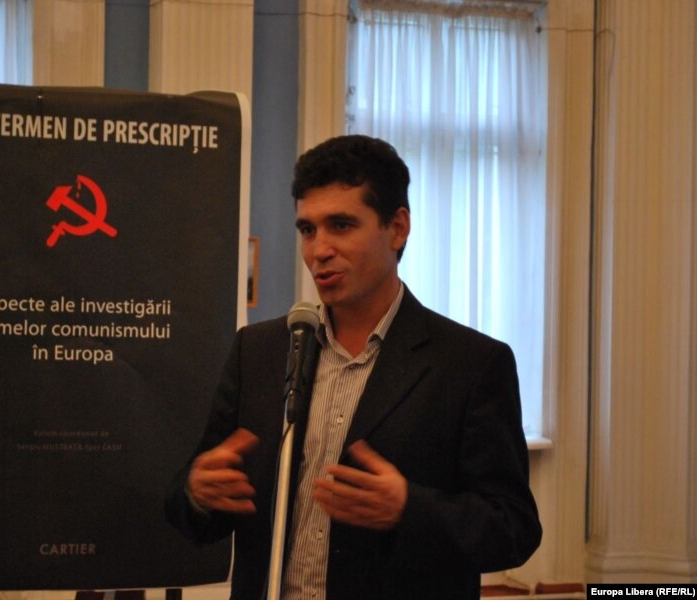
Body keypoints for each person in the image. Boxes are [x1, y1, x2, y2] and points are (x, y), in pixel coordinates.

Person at [166, 135, 542, 599]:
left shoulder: (470, 363)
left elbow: (513, 529)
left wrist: (409, 508)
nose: (319, 250)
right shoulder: (259, 351)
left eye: (341, 225)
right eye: (308, 230)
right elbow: (196, 508)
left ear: (397, 228)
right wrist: (197, 493)